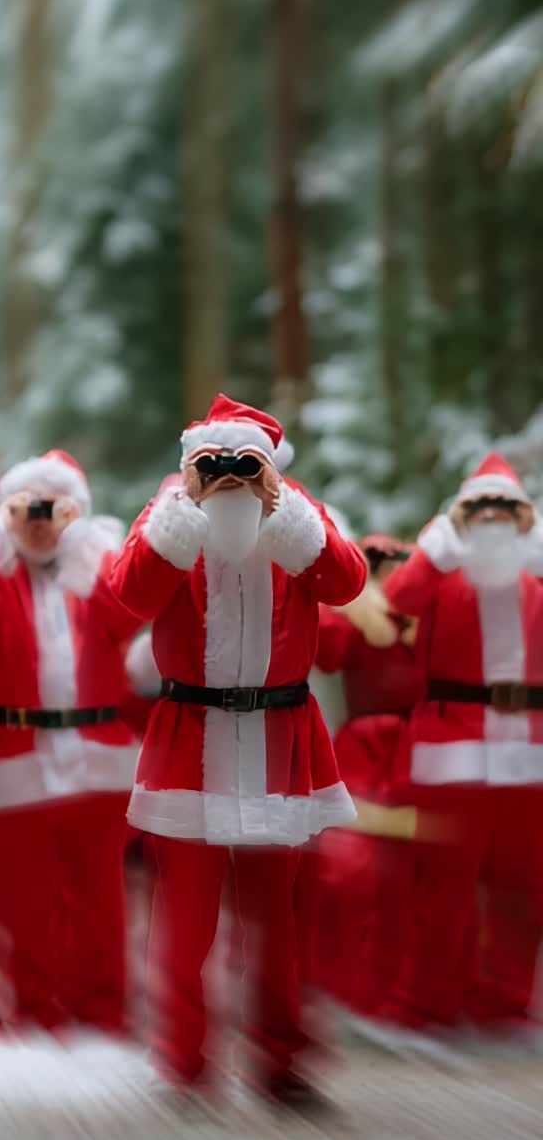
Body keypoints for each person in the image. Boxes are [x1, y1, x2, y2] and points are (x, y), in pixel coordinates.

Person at [107, 393, 366, 1102]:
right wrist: (185, 506)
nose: (231, 475)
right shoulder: (169, 511)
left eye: (245, 464)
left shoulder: (296, 514)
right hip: (190, 733)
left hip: (279, 737)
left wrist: (282, 504)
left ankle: (282, 1062)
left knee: (276, 919)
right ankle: (183, 1062)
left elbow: (347, 583)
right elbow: (129, 594)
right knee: (185, 917)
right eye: (214, 463)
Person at [0, 450, 141, 1035]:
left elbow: (129, 614)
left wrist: (83, 540)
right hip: (13, 758)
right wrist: (0, 526)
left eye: (53, 507)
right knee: (22, 904)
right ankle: (35, 1018)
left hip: (98, 755)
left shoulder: (99, 567)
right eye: (28, 507)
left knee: (101, 902)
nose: (39, 520)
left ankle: (103, 1018)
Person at [383, 452, 543, 1038]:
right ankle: (426, 1002)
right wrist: (439, 543)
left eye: (505, 506)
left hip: (529, 742)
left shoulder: (537, 578)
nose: (493, 516)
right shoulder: (440, 573)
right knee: (442, 880)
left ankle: (504, 1002)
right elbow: (398, 598)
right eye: (480, 506)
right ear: (461, 517)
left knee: (523, 880)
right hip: (453, 740)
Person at [309, 535, 425, 1028]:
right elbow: (324, 653)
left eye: (396, 561)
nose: (387, 570)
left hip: (422, 748)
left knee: (419, 874)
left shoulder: (432, 616)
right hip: (365, 751)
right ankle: (354, 985)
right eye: (375, 561)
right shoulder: (347, 619)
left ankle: (407, 989)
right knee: (354, 871)